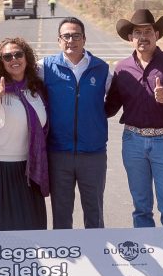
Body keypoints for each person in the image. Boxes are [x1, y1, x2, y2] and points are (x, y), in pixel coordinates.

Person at [105, 9, 163, 228]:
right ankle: (148, 259)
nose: (143, 37)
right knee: (141, 208)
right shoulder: (122, 68)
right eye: (137, 33)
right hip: (133, 141)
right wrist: (84, 103)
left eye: (148, 31)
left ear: (156, 35)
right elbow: (110, 106)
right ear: (131, 38)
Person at [41, 16, 111, 229]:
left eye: (76, 36)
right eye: (66, 36)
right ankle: (66, 258)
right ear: (59, 40)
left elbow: (117, 100)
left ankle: (98, 254)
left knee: (94, 212)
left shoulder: (103, 69)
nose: (71, 40)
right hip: (58, 152)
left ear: (84, 38)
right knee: (61, 212)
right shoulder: (44, 67)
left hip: (93, 153)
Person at [0, 37, 49, 231]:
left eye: (18, 54)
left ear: (26, 57)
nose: (14, 59)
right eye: (7, 56)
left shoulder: (36, 88)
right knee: (4, 224)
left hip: (30, 164)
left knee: (35, 223)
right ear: (1, 62)